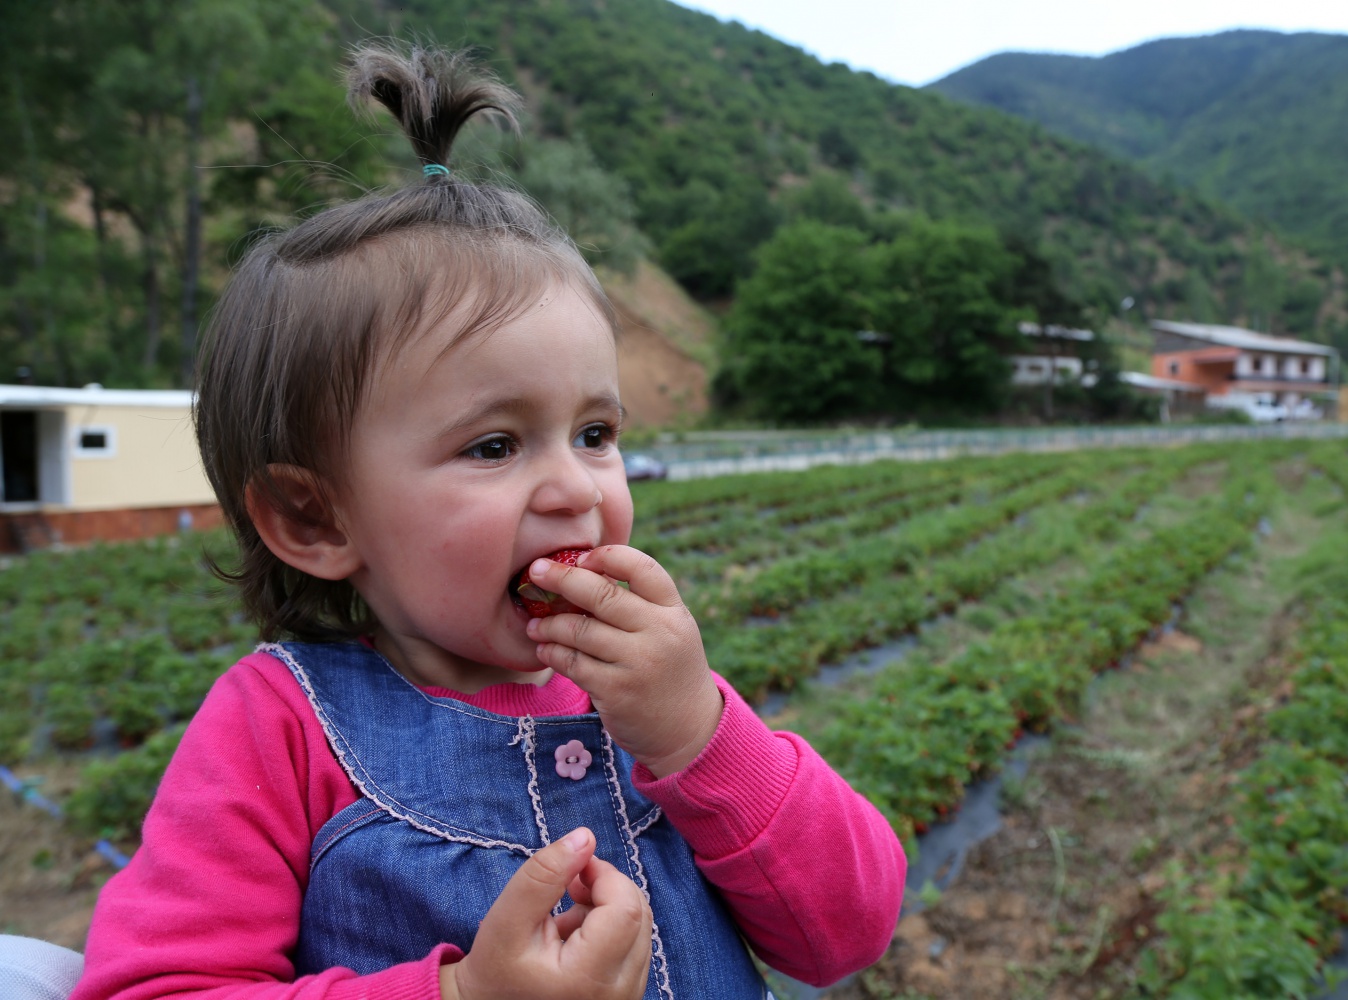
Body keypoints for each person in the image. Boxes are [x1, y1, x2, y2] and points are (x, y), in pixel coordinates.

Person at [70, 42, 904, 1000]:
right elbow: (156, 987)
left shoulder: (659, 705)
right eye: (494, 447)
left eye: (595, 432)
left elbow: (850, 930)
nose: (574, 490)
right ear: (315, 518)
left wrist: (702, 736)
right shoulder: (282, 733)